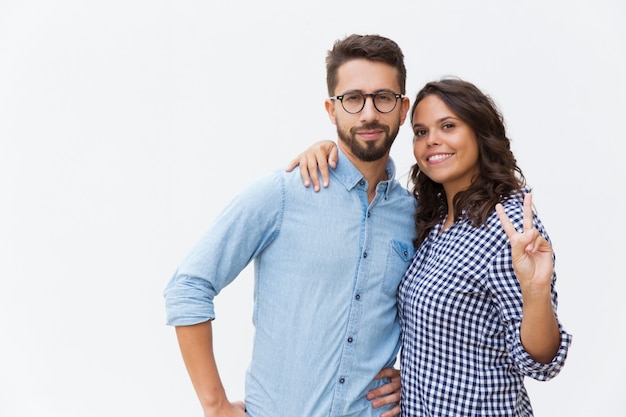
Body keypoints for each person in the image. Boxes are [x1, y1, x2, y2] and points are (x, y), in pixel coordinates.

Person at [163, 34, 418, 417]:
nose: (368, 113)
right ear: (331, 110)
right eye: (353, 98)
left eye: (384, 97)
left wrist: (410, 378)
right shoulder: (284, 193)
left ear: (402, 109)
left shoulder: (415, 217)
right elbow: (188, 287)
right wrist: (214, 406)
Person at [288, 78, 572, 416]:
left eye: (448, 126)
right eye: (421, 132)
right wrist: (408, 380)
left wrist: (536, 291)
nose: (431, 140)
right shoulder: (433, 222)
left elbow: (541, 362)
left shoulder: (509, 226)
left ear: (479, 133)